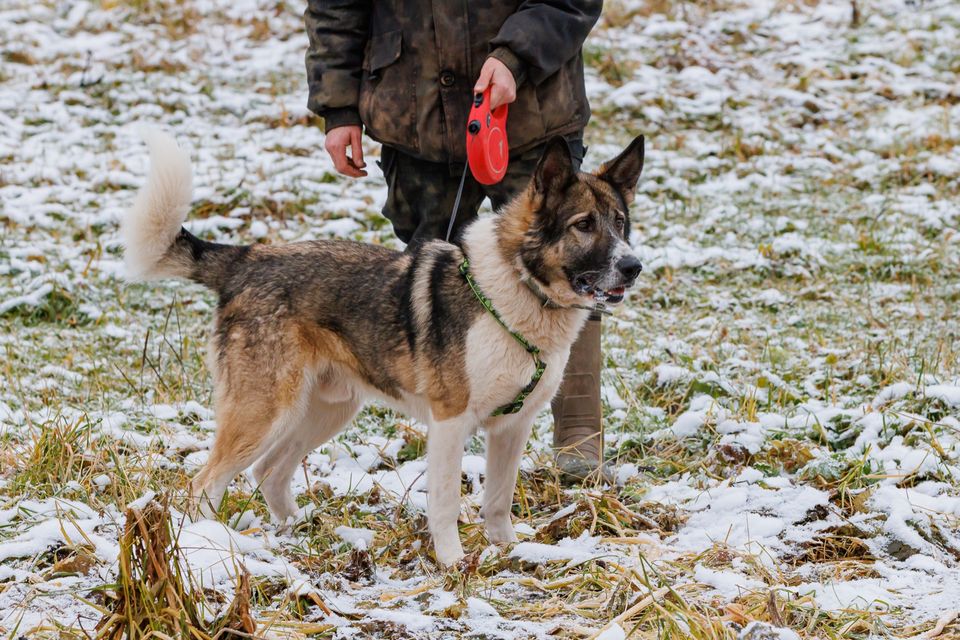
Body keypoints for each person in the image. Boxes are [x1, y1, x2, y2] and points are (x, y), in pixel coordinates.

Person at [304, 1, 609, 480]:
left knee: (571, 269)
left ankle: (578, 439)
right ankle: (444, 420)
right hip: (414, 114)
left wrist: (516, 54)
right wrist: (337, 103)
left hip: (531, 113)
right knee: (428, 284)